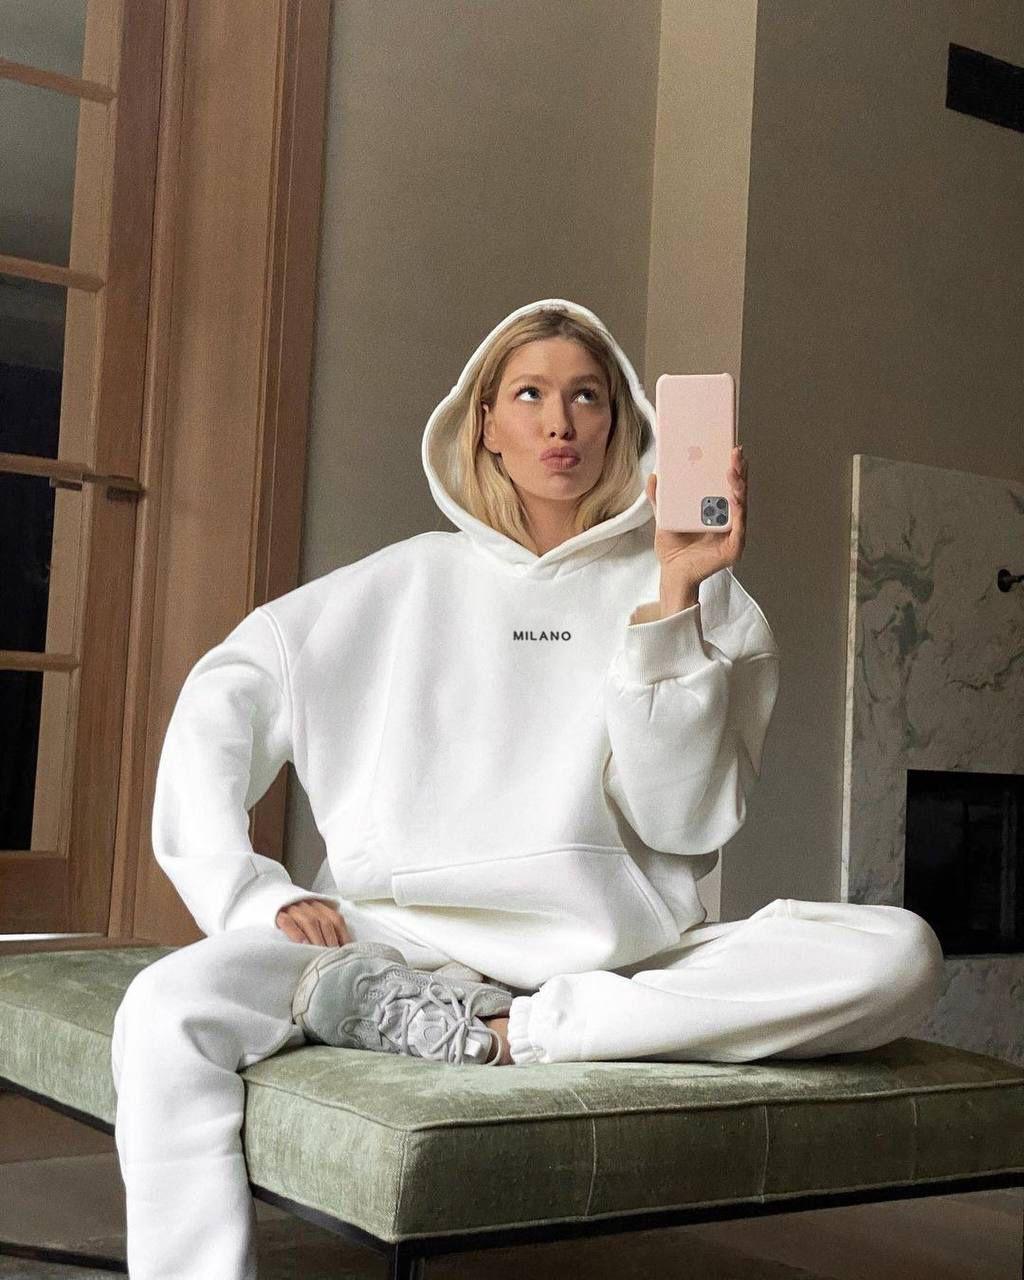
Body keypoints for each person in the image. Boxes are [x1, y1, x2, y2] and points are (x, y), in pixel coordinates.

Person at [110, 298, 945, 1279]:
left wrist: (673, 602)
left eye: (587, 396)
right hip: (386, 948)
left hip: (612, 961)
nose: (561, 423)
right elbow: (225, 695)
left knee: (899, 952)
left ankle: (509, 1035)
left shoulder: (703, 596)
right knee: (165, 1007)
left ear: (619, 423)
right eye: (531, 395)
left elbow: (682, 821)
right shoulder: (398, 582)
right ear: (486, 426)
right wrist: (252, 894)